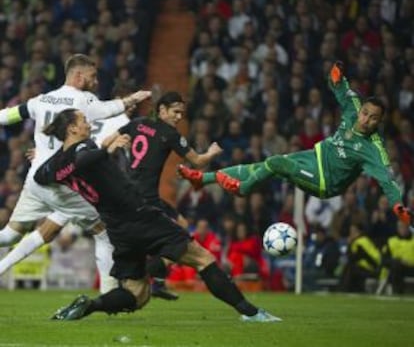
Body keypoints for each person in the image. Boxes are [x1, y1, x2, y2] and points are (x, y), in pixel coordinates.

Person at [34, 109, 280, 323]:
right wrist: (106, 148)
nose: (88, 124)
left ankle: (90, 306)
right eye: (83, 120)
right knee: (203, 259)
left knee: (137, 295)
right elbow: (85, 157)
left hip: (117, 228)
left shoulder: (58, 164)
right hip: (140, 215)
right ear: (73, 128)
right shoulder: (84, 148)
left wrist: (59, 160)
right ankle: (251, 312)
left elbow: (40, 176)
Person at [178, 61, 414, 227]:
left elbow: (387, 179)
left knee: (275, 162)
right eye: (366, 113)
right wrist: (336, 76)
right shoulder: (353, 108)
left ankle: (242, 189)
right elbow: (341, 89)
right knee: (260, 166)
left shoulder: (374, 148)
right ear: (361, 110)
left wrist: (398, 207)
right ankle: (202, 180)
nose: (367, 120)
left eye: (374, 118)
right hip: (314, 157)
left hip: (325, 181)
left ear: (379, 122)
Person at [0, 53, 151, 293]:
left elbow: (7, 116)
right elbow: (107, 109)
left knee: (9, 235)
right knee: (104, 230)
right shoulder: (84, 100)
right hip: (64, 181)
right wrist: (132, 98)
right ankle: (109, 294)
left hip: (35, 181)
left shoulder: (41, 100)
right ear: (79, 77)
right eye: (92, 77)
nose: (96, 82)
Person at [95, 90, 223, 300]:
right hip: (146, 200)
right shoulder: (169, 134)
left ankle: (157, 281)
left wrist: (118, 148)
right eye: (175, 112)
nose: (179, 117)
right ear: (162, 110)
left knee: (179, 224)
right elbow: (198, 162)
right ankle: (151, 273)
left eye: (182, 113)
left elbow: (104, 143)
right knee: (178, 238)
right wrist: (212, 153)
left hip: (129, 194)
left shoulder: (136, 123)